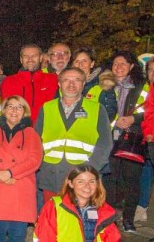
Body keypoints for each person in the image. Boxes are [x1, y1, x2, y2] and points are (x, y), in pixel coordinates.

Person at [35, 67, 112, 205]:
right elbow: (35, 140)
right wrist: (42, 165)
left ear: (83, 84)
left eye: (77, 80)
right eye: (66, 80)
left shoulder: (97, 109)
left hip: (83, 178)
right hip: (52, 175)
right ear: (59, 84)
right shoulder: (46, 108)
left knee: (80, 221)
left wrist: (90, 170)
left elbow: (105, 144)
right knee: (53, 219)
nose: (71, 84)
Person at [0, 96, 42, 242]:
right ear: (4, 110)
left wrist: (11, 173)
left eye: (19, 107)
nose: (14, 110)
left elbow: (34, 160)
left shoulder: (32, 134)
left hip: (20, 193)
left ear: (25, 112)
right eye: (10, 106)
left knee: (17, 238)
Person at [104, 51, 147, 232]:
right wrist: (115, 123)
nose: (118, 67)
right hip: (109, 137)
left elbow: (150, 109)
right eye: (115, 63)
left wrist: (133, 119)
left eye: (123, 63)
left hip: (133, 138)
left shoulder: (142, 87)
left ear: (131, 66)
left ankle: (128, 219)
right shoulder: (105, 86)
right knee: (110, 180)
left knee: (131, 180)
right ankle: (110, 218)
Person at [34, 164, 121, 242]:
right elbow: (45, 237)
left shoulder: (104, 210)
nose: (87, 186)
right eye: (81, 181)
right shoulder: (54, 206)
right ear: (71, 183)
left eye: (92, 181)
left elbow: (113, 238)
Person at [0, 43, 59, 124]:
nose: (30, 59)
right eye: (26, 56)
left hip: (46, 129)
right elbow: (5, 111)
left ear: (41, 58)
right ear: (21, 59)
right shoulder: (9, 81)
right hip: (19, 131)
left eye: (34, 56)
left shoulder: (53, 80)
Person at [73, 48, 117, 121]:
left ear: (92, 64)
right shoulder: (66, 85)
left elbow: (108, 115)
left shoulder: (104, 84)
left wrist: (76, 115)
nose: (80, 65)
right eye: (77, 61)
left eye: (84, 61)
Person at [137, 58, 154, 222]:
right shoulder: (144, 89)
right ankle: (141, 209)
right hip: (146, 140)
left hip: (152, 139)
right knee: (145, 175)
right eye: (151, 70)